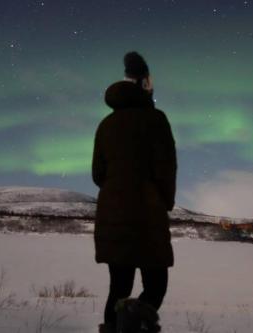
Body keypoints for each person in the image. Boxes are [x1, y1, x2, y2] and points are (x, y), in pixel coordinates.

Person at [92, 51, 177, 333]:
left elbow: (97, 174)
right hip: (147, 216)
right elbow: (166, 169)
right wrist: (163, 202)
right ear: (144, 85)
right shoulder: (156, 120)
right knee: (155, 287)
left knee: (119, 287)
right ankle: (134, 327)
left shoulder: (106, 125)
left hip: (112, 217)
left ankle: (118, 326)